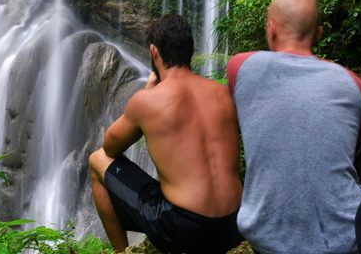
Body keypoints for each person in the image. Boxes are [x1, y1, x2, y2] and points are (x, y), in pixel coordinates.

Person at [227, 0, 361, 254]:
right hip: (346, 240)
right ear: (319, 34)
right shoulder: (353, 85)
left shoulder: (241, 67)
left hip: (268, 239)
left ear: (271, 30)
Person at [89, 13, 244, 254]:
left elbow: (109, 148)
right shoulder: (223, 93)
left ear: (154, 52)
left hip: (183, 228)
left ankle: (121, 252)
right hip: (234, 224)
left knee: (96, 160)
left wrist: (148, 91)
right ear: (192, 50)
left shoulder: (148, 101)